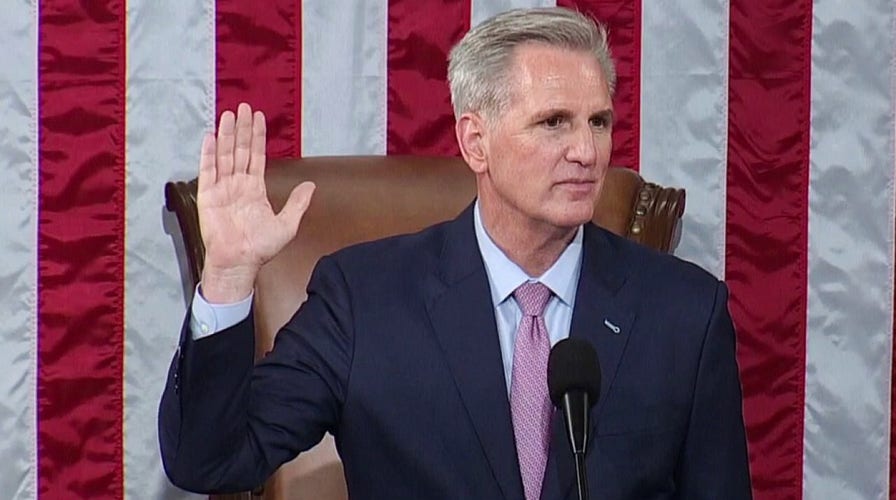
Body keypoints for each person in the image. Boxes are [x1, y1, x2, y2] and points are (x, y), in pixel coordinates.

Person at [159, 7, 752, 499]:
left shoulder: (685, 313)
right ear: (476, 141)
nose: (586, 151)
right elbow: (210, 461)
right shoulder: (365, 300)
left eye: (598, 122)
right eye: (553, 123)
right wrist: (230, 277)